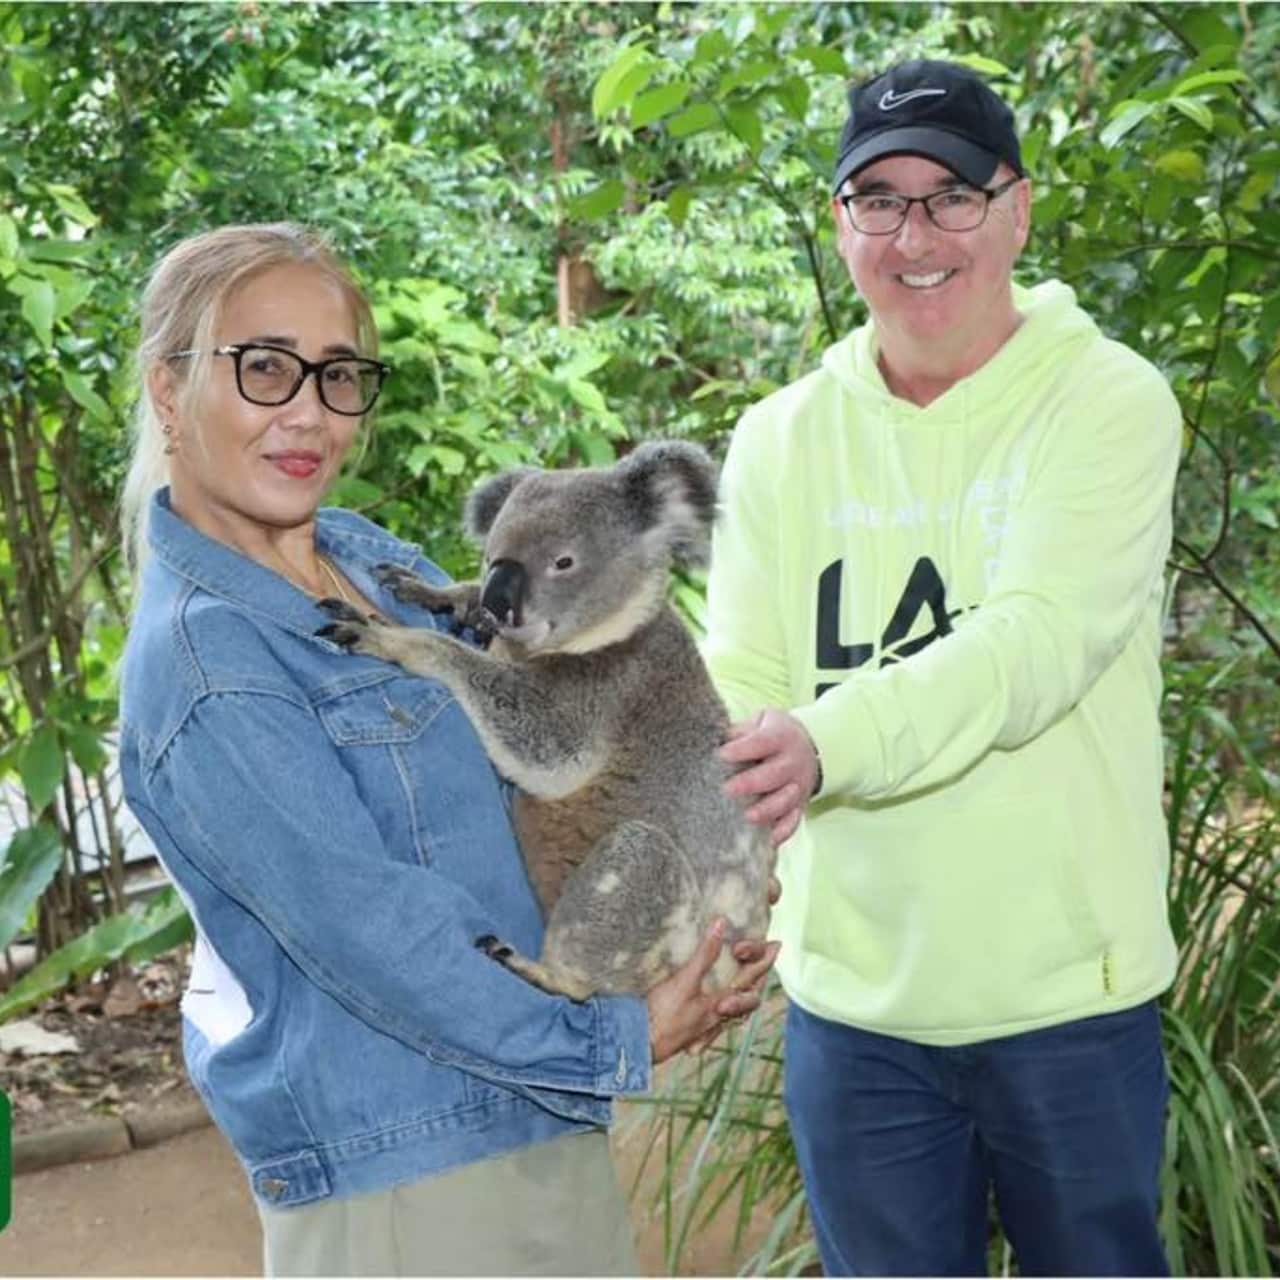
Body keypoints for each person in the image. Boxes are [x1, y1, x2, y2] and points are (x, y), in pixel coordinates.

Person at [117, 222, 778, 1277]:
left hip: (533, 1110)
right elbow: (378, 934)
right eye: (265, 368)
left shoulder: (367, 560)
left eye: (339, 375)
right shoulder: (209, 669)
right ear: (169, 387)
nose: (309, 411)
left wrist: (708, 838)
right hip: (415, 1171)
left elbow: (536, 770)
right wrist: (618, 1040)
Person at [704, 59, 1180, 1277]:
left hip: (1067, 1005)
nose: (914, 237)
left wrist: (825, 743)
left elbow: (1034, 645)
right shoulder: (778, 438)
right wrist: (718, 874)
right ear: (840, 223)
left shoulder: (1105, 401)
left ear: (1014, 209)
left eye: (951, 195)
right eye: (878, 199)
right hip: (854, 1016)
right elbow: (742, 676)